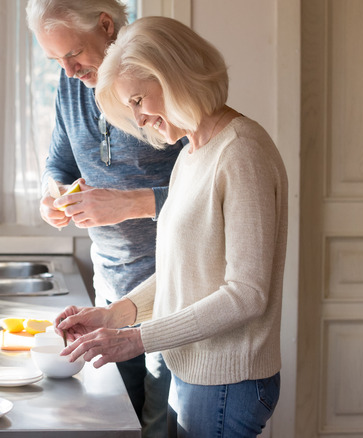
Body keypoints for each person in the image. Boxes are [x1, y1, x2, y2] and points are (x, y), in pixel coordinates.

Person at [56, 16, 288, 437]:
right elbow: (186, 270)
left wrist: (138, 339)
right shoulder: (193, 152)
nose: (140, 120)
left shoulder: (241, 153)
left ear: (176, 75)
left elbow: (248, 294)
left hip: (227, 382)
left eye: (140, 100)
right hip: (198, 375)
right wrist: (114, 316)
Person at [26, 1, 185, 436]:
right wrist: (52, 193)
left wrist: (131, 203)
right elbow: (58, 162)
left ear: (105, 25)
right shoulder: (70, 87)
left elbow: (210, 193)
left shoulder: (160, 79)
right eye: (55, 60)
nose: (68, 69)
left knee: (157, 426)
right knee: (115, 419)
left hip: (172, 292)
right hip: (110, 288)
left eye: (73, 54)